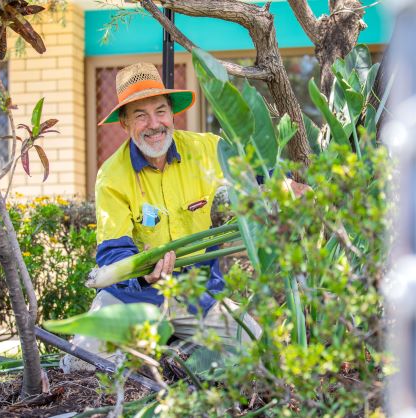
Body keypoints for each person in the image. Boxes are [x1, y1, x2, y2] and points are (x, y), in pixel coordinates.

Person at [61, 62, 264, 372]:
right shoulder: (112, 176)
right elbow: (113, 251)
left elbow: (256, 172)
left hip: (197, 294)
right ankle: (163, 353)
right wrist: (143, 272)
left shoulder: (207, 149)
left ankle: (175, 354)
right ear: (125, 125)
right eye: (140, 116)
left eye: (160, 112)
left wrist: (281, 184)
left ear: (172, 115)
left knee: (255, 350)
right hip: (134, 297)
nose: (153, 124)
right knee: (83, 365)